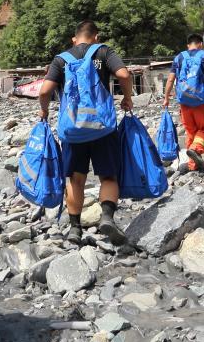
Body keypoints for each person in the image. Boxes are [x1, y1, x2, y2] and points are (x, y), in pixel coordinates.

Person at [39, 21, 133, 246]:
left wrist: (44, 110)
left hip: (72, 131)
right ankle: (107, 217)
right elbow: (124, 74)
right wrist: (127, 98)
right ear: (96, 36)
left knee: (75, 178)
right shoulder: (103, 51)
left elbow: (44, 90)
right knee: (108, 176)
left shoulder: (61, 59)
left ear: (74, 38)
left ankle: (74, 229)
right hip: (102, 128)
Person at [163, 33, 204, 171]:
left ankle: (193, 165)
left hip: (184, 101)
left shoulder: (179, 57)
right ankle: (195, 149)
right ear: (200, 44)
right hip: (202, 101)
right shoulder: (203, 55)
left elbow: (170, 79)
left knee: (191, 131)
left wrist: (166, 98)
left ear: (188, 45)